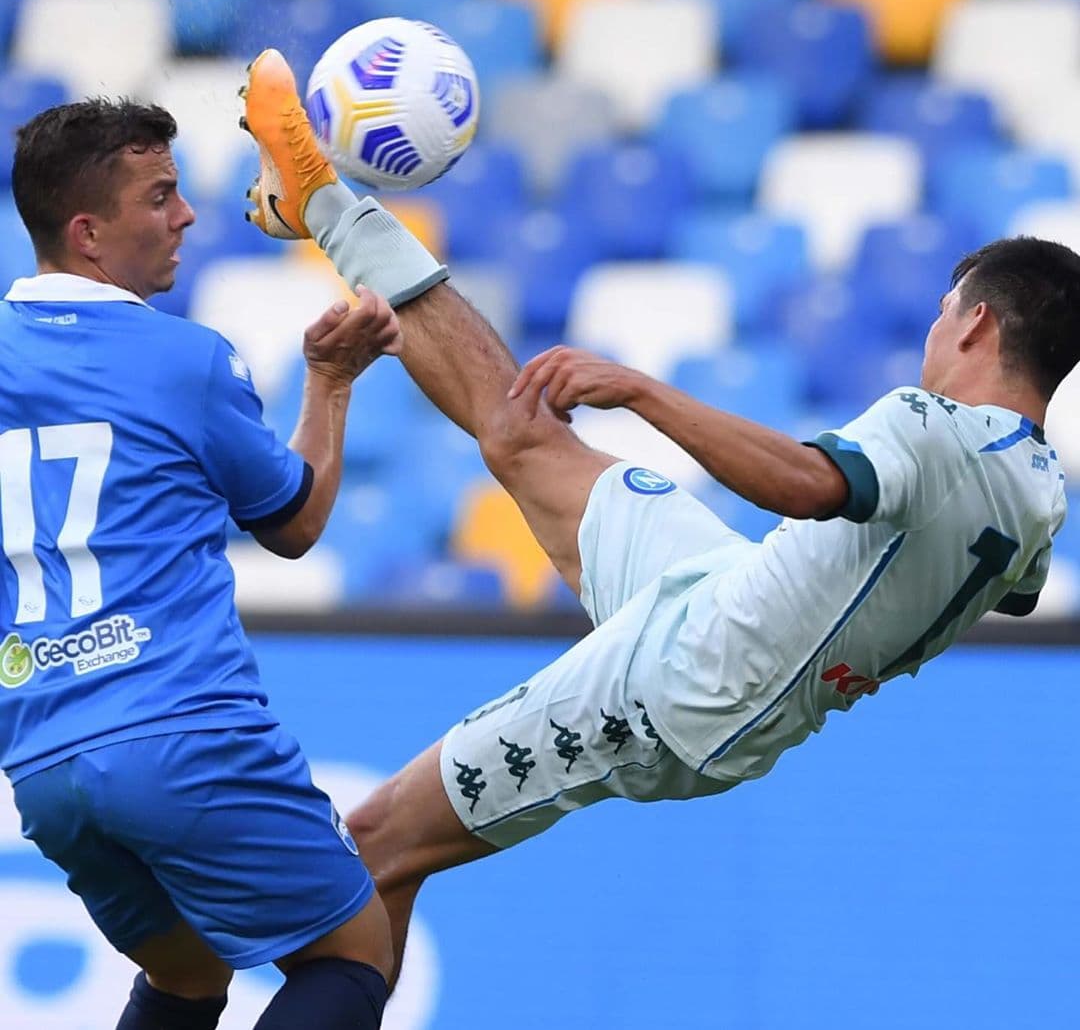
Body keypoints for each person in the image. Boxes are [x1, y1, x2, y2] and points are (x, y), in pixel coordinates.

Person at [241, 49, 1079, 989]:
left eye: (941, 315)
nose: (932, 334)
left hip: (690, 680)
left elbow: (807, 485)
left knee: (379, 842)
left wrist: (642, 390)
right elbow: (996, 589)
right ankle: (321, 200)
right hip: (724, 592)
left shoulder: (933, 428)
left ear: (974, 327)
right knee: (523, 430)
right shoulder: (1041, 500)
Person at [1, 98, 403, 1029]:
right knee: (354, 951)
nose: (185, 216)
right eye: (161, 196)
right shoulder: (182, 358)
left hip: (43, 760)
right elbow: (295, 522)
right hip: (180, 728)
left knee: (187, 976)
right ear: (89, 232)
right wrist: (332, 384)